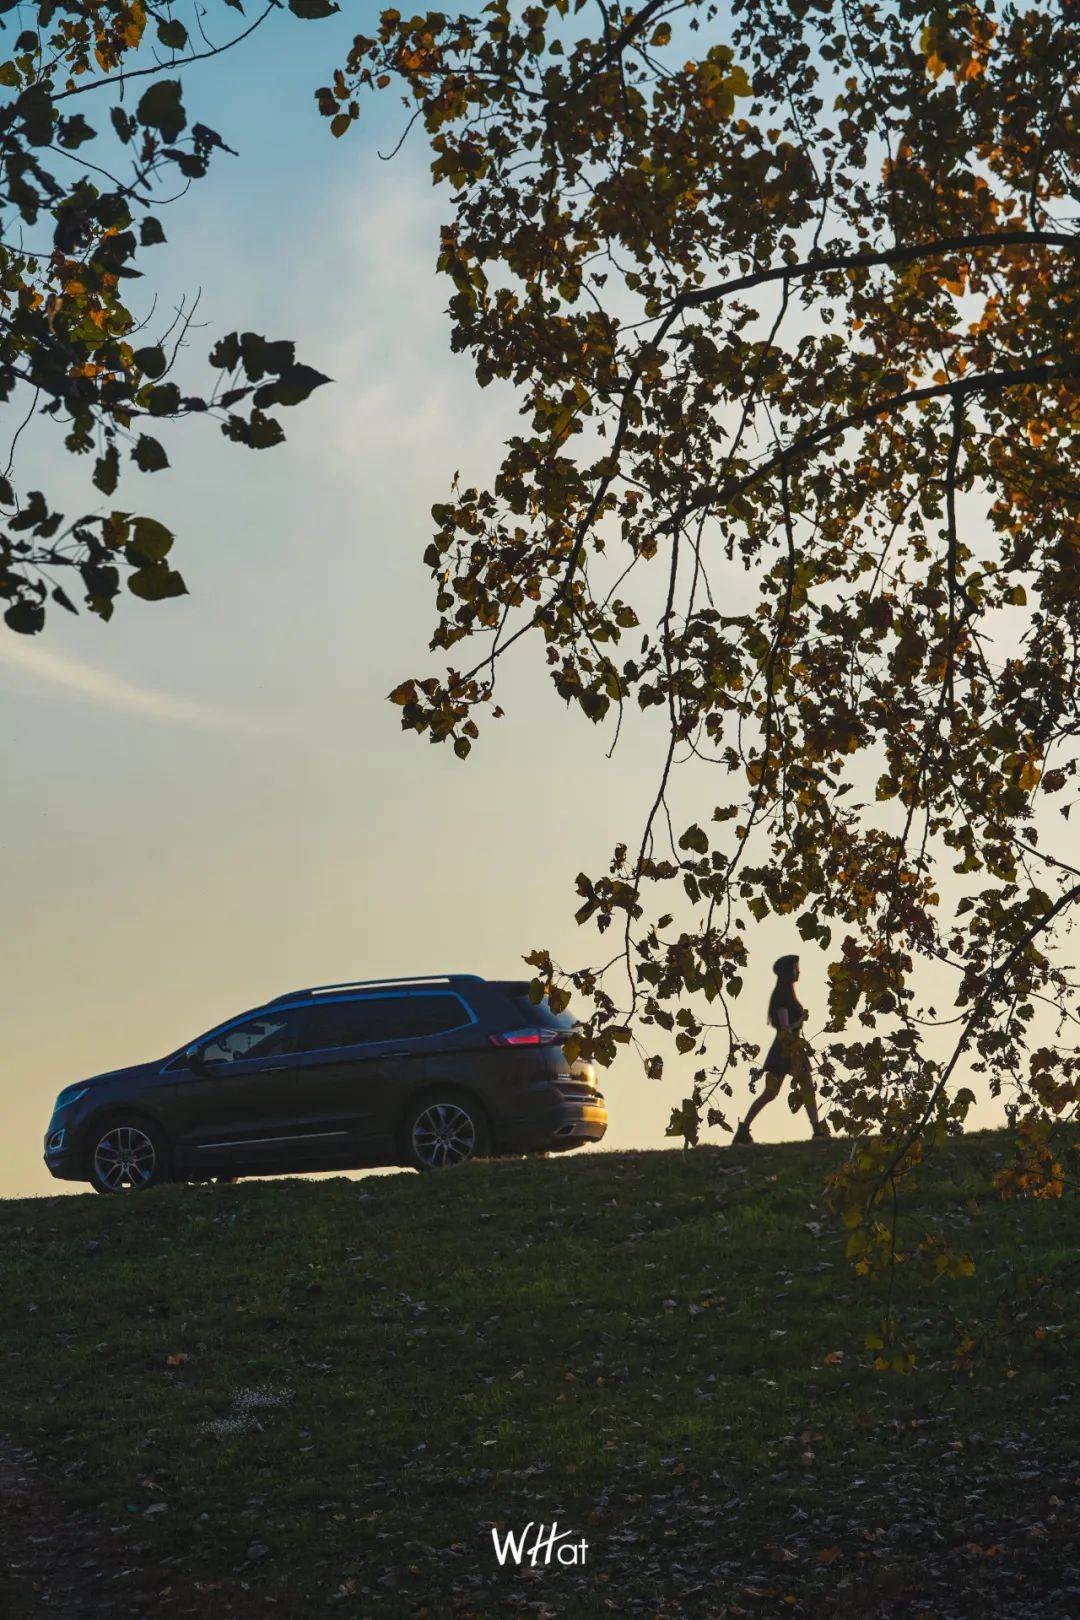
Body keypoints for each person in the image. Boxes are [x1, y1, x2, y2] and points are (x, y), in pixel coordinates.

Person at [732, 953, 827, 1144]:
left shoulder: (786, 995)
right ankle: (817, 1130)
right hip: (786, 1048)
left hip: (788, 1048)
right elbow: (784, 1027)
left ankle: (743, 1130)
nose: (798, 971)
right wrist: (800, 1021)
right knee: (778, 1091)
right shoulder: (783, 998)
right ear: (788, 972)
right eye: (795, 968)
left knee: (789, 1089)